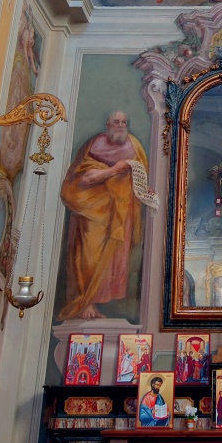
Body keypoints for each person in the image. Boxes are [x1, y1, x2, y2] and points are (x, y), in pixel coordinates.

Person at [57, 111, 148, 320]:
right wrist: (117, 169)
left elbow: (142, 180)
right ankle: (83, 302)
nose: (120, 125)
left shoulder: (133, 146)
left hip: (118, 212)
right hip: (91, 211)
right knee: (89, 255)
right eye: (116, 122)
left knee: (110, 260)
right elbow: (84, 179)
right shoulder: (94, 146)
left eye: (124, 122)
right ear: (107, 124)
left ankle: (93, 304)